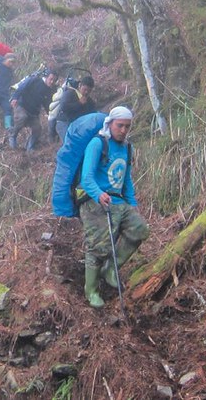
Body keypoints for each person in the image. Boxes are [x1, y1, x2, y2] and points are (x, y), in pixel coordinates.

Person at [78, 106, 149, 308]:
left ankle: (111, 269)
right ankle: (91, 290)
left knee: (140, 229)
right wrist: (98, 194)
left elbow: (126, 178)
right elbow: (87, 177)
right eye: (120, 126)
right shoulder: (97, 144)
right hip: (94, 202)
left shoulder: (127, 147)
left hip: (119, 201)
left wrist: (132, 203)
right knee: (98, 247)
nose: (124, 130)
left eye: (127, 126)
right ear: (110, 124)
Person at [9, 68, 58, 150]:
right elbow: (22, 87)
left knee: (38, 129)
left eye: (54, 80)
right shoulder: (35, 80)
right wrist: (15, 98)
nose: (52, 82)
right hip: (22, 105)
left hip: (33, 112)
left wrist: (50, 113)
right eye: (51, 79)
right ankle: (12, 136)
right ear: (46, 77)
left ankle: (29, 146)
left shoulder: (50, 90)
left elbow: (47, 104)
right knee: (22, 117)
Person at [54, 75, 97, 142]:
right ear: (80, 85)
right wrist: (79, 104)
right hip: (63, 122)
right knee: (68, 143)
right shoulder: (70, 93)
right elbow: (63, 107)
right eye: (84, 89)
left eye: (89, 90)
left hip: (76, 123)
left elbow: (93, 112)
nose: (86, 92)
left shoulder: (89, 101)